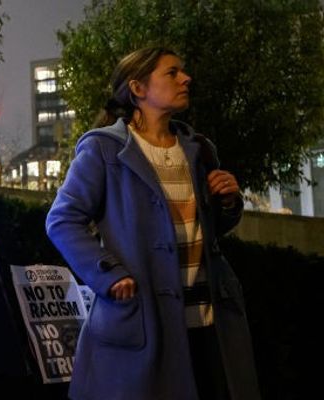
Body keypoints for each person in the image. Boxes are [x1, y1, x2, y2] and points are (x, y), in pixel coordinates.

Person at [46, 47, 261, 399]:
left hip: (210, 322)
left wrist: (228, 200)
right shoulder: (104, 150)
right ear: (138, 89)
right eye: (172, 72)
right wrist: (108, 274)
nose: (186, 78)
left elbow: (209, 230)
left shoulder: (199, 148)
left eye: (183, 71)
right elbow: (62, 219)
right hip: (145, 323)